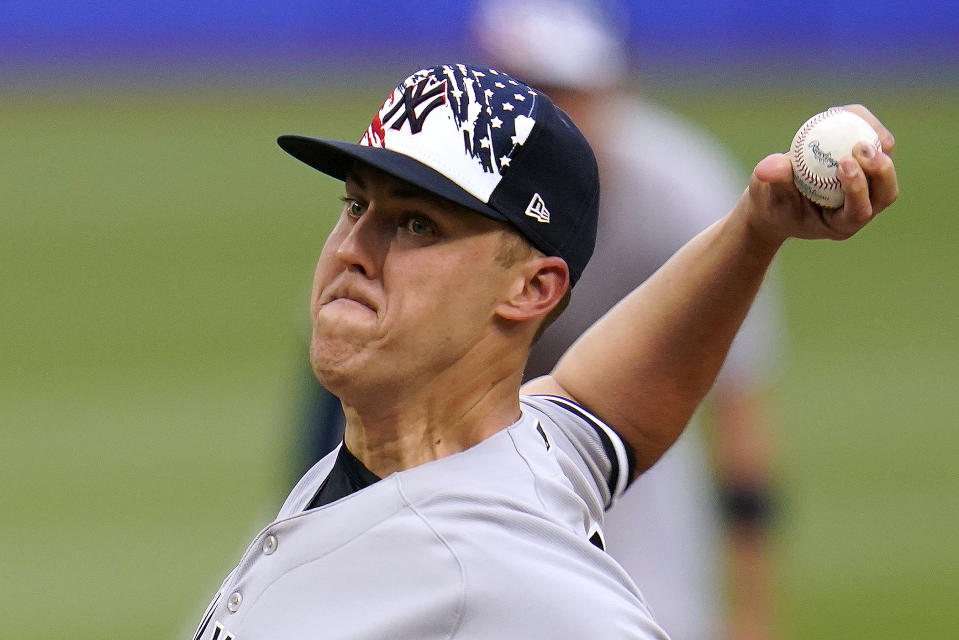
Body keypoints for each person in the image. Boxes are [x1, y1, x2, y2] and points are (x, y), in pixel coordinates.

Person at [192, 62, 897, 639]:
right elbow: (600, 405)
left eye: (414, 224)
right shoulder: (513, 452)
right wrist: (753, 229)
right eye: (355, 205)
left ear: (532, 289)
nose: (352, 251)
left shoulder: (508, 579)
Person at [469, 2, 784, 638]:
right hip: (478, 441)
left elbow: (737, 405)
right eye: (524, 91)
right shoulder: (458, 182)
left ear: (613, 89)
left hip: (634, 450)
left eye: (563, 92)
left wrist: (752, 609)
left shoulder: (681, 190)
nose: (543, 117)